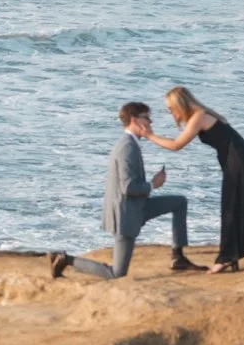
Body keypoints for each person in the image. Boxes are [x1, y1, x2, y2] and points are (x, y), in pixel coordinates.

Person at [49, 102, 195, 281]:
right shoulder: (128, 147)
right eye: (146, 118)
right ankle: (66, 259)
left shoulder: (131, 144)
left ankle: (178, 257)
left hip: (139, 207)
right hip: (126, 214)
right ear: (134, 120)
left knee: (179, 202)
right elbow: (129, 188)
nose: (150, 122)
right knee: (117, 273)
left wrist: (151, 185)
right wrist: (153, 184)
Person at [146, 85, 244, 273]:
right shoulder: (202, 114)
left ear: (179, 104)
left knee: (231, 207)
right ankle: (232, 255)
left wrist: (149, 135)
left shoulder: (198, 116)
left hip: (239, 159)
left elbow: (176, 145)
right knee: (235, 205)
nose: (169, 112)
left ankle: (226, 258)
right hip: (240, 157)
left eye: (170, 108)